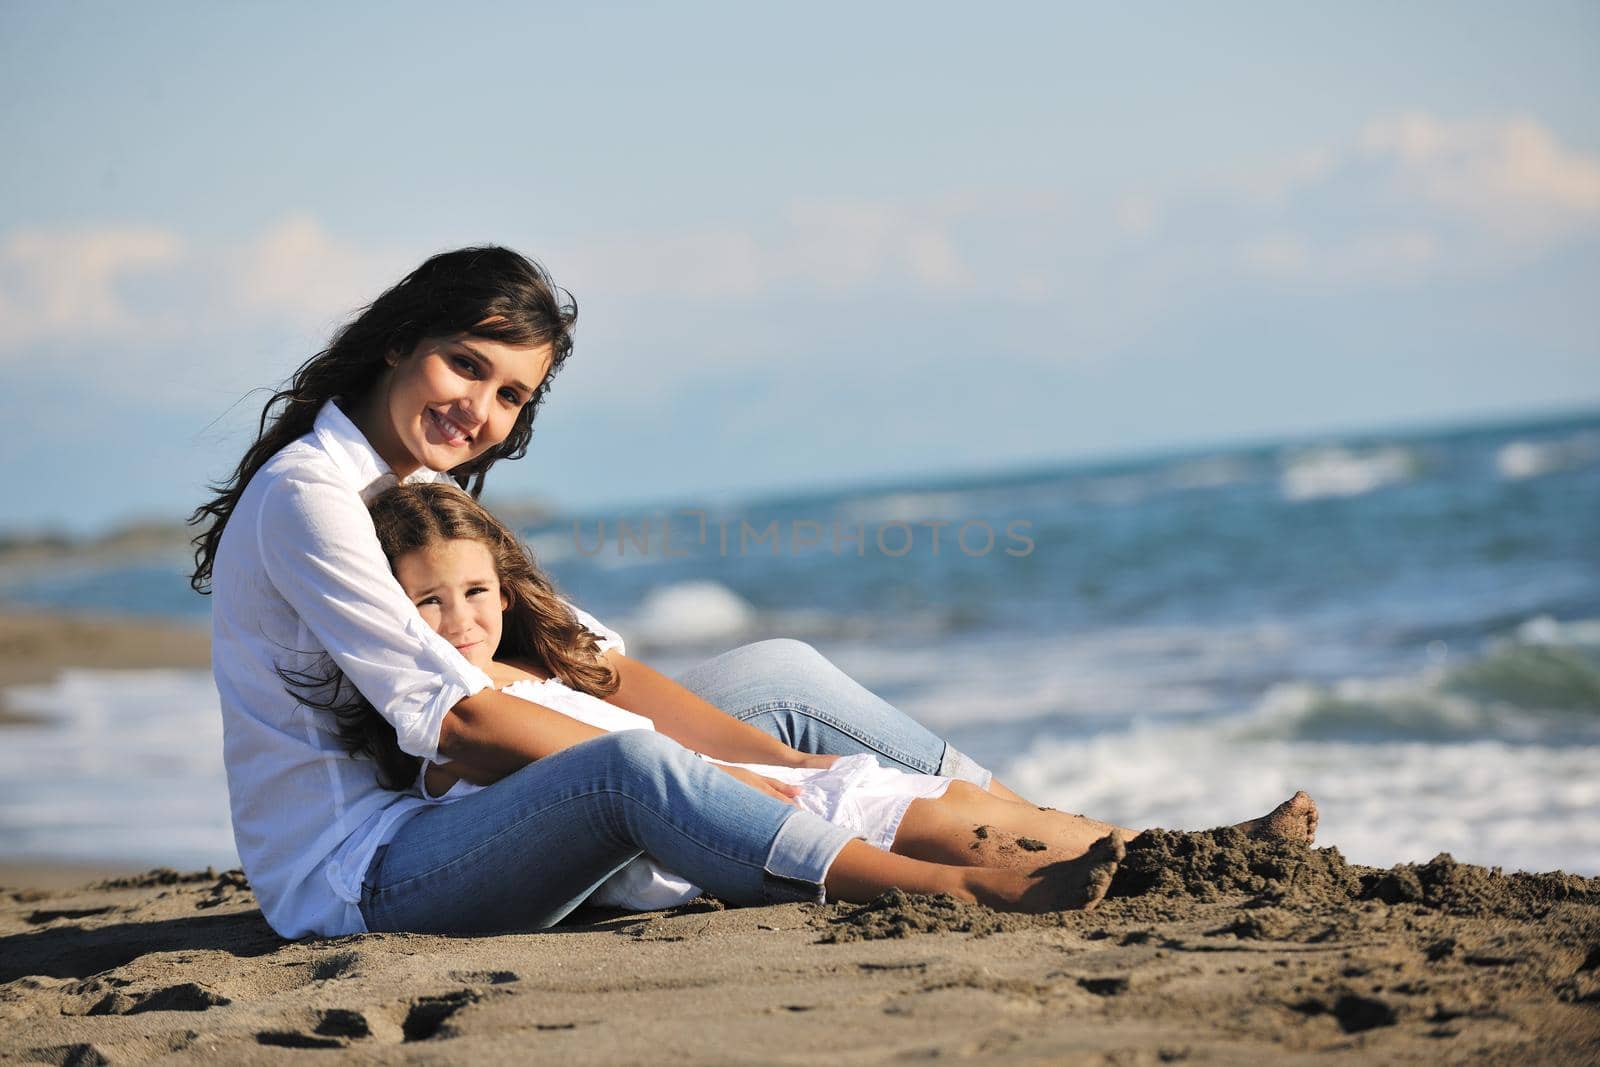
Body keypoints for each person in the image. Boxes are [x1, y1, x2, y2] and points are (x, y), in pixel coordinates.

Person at [191, 245, 1319, 939]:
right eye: (465, 364)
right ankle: (957, 888)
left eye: (511, 395)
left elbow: (590, 666)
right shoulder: (310, 496)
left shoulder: (420, 486)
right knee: (639, 763)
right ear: (399, 343)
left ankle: (1107, 841)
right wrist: (727, 774)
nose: (480, 408)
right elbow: (462, 720)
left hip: (460, 810)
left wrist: (789, 763)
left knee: (778, 678)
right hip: (371, 871)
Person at [312, 482, 1145, 915]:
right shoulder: (446, 711)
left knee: (943, 800)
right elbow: (592, 770)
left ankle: (1164, 849)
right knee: (914, 826)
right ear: (391, 612)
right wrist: (746, 780)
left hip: (726, 787)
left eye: (477, 590)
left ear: (506, 586)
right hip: (704, 822)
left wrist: (779, 759)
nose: (460, 620)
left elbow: (620, 690)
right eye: (428, 601)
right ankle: (964, 891)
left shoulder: (529, 665)